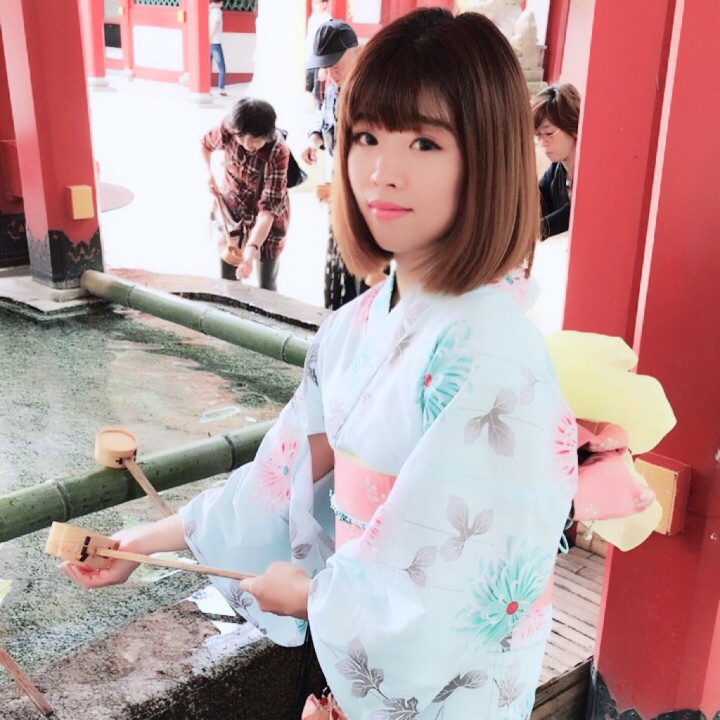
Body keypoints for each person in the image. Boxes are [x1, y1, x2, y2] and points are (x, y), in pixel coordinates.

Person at [60, 9, 577, 719]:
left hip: (444, 686)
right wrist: (141, 546)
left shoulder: (496, 352)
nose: (382, 172)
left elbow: (464, 580)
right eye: (367, 137)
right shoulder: (353, 327)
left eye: (425, 142)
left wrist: (315, 596)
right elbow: (283, 474)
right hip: (355, 645)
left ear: (488, 160)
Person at [301, 20, 368, 311]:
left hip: (368, 187)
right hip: (340, 179)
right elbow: (325, 119)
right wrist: (315, 139)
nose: (330, 73)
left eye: (335, 64)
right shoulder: (333, 88)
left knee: (365, 261)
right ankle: (339, 315)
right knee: (338, 258)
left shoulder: (373, 90)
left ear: (356, 52)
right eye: (325, 67)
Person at [203, 97, 290, 291]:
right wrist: (208, 173)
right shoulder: (230, 128)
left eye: (255, 140)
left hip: (267, 218)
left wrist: (251, 248)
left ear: (267, 135)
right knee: (228, 278)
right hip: (232, 208)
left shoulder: (278, 152)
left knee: (267, 283)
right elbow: (205, 144)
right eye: (241, 138)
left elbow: (267, 212)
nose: (246, 144)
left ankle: (266, 309)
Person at [531, 83, 581, 239]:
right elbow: (535, 202)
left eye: (549, 133)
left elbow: (573, 213)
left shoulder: (591, 173)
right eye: (538, 136)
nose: (543, 143)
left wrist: (530, 233)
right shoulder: (556, 171)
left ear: (573, 128)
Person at [304, 0, 332, 107]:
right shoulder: (312, 18)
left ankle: (321, 110)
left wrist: (324, 65)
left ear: (324, 4)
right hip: (309, 57)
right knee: (306, 86)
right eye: (313, 2)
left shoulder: (327, 20)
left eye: (317, 2)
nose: (314, 5)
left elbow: (327, 42)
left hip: (320, 59)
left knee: (318, 90)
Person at [209, 0, 227, 96]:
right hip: (215, 42)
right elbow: (216, 23)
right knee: (222, 67)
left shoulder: (210, 10)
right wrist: (211, 37)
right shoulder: (217, 11)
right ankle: (221, 88)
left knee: (208, 66)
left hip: (209, 42)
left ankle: (206, 87)